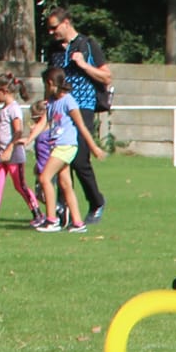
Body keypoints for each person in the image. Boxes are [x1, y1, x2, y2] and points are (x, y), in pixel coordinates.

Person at [46, 7, 110, 225]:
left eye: (54, 27)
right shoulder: (53, 49)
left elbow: (106, 77)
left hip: (82, 105)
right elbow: (50, 79)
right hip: (59, 108)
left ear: (66, 23)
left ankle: (96, 201)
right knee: (60, 158)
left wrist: (82, 64)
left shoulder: (87, 44)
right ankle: (64, 209)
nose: (51, 32)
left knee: (79, 159)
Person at [33, 65, 105, 234]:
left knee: (44, 178)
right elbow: (43, 122)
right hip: (57, 145)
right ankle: (78, 223)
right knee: (66, 184)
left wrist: (93, 147)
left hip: (66, 146)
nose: (45, 89)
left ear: (51, 83)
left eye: (45, 85)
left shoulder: (69, 101)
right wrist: (28, 139)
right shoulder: (51, 103)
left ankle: (52, 221)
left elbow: (81, 126)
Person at [0, 73, 42, 229]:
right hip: (1, 154)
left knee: (20, 186)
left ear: (4, 90)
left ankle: (37, 213)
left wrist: (9, 150)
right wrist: (1, 153)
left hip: (13, 154)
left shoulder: (14, 109)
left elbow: (18, 132)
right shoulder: (4, 109)